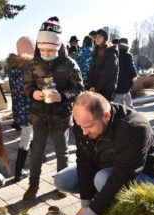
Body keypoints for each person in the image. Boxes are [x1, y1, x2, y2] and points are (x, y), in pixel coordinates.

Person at [54, 91, 154, 215]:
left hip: (143, 173)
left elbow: (122, 177)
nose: (83, 132)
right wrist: (85, 207)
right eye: (80, 126)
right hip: (108, 164)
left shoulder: (135, 127)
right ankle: (101, 203)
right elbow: (84, 162)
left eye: (88, 126)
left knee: (103, 179)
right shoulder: (83, 123)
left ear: (106, 116)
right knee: (62, 180)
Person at [22, 16, 83, 200]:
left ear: (58, 47)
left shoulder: (69, 64)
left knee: (62, 151)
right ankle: (33, 184)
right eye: (43, 50)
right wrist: (33, 93)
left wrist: (62, 96)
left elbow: (79, 88)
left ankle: (62, 183)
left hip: (61, 115)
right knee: (36, 151)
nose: (47, 54)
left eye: (51, 50)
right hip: (39, 115)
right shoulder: (33, 64)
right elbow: (26, 86)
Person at [7, 36, 35, 182]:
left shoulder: (12, 67)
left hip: (19, 109)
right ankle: (19, 172)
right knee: (29, 137)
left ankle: (19, 170)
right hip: (32, 108)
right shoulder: (31, 67)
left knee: (28, 136)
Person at [87, 27, 119, 101]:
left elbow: (108, 72)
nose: (97, 38)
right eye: (96, 37)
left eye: (100, 36)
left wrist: (96, 87)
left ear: (105, 38)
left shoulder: (110, 52)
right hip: (95, 89)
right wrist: (90, 85)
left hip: (106, 89)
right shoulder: (95, 51)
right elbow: (91, 70)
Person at [113, 37, 137, 109]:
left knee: (122, 97)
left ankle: (124, 111)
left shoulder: (114, 53)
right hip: (125, 81)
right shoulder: (127, 55)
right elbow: (131, 67)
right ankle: (127, 113)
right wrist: (134, 76)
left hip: (116, 80)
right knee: (122, 100)